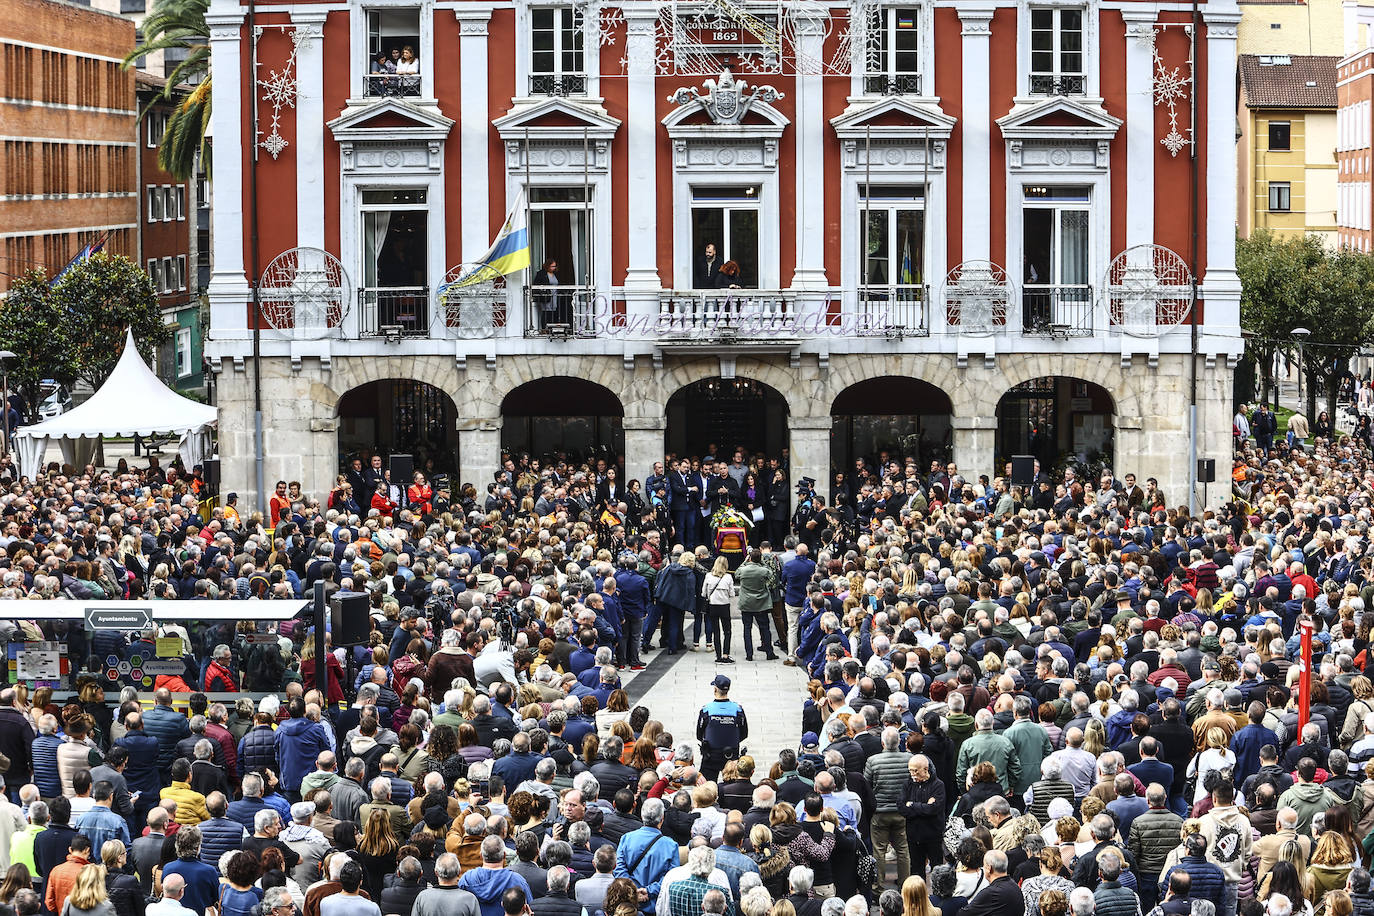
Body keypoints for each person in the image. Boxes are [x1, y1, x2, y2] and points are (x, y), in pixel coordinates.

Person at [697, 676, 748, 783]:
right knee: (733, 787)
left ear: (715, 689)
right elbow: (744, 733)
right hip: (731, 756)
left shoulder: (706, 710)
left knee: (706, 788)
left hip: (711, 755)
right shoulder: (738, 709)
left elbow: (699, 734)